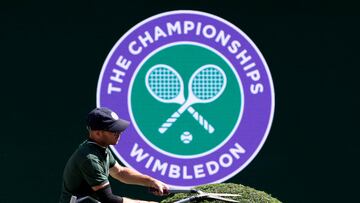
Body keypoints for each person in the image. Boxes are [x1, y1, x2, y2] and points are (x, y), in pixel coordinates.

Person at [59, 107, 169, 203]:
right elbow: (109, 200)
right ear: (97, 133)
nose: (119, 133)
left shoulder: (100, 148)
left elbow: (120, 172)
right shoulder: (90, 159)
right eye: (114, 130)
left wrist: (151, 181)